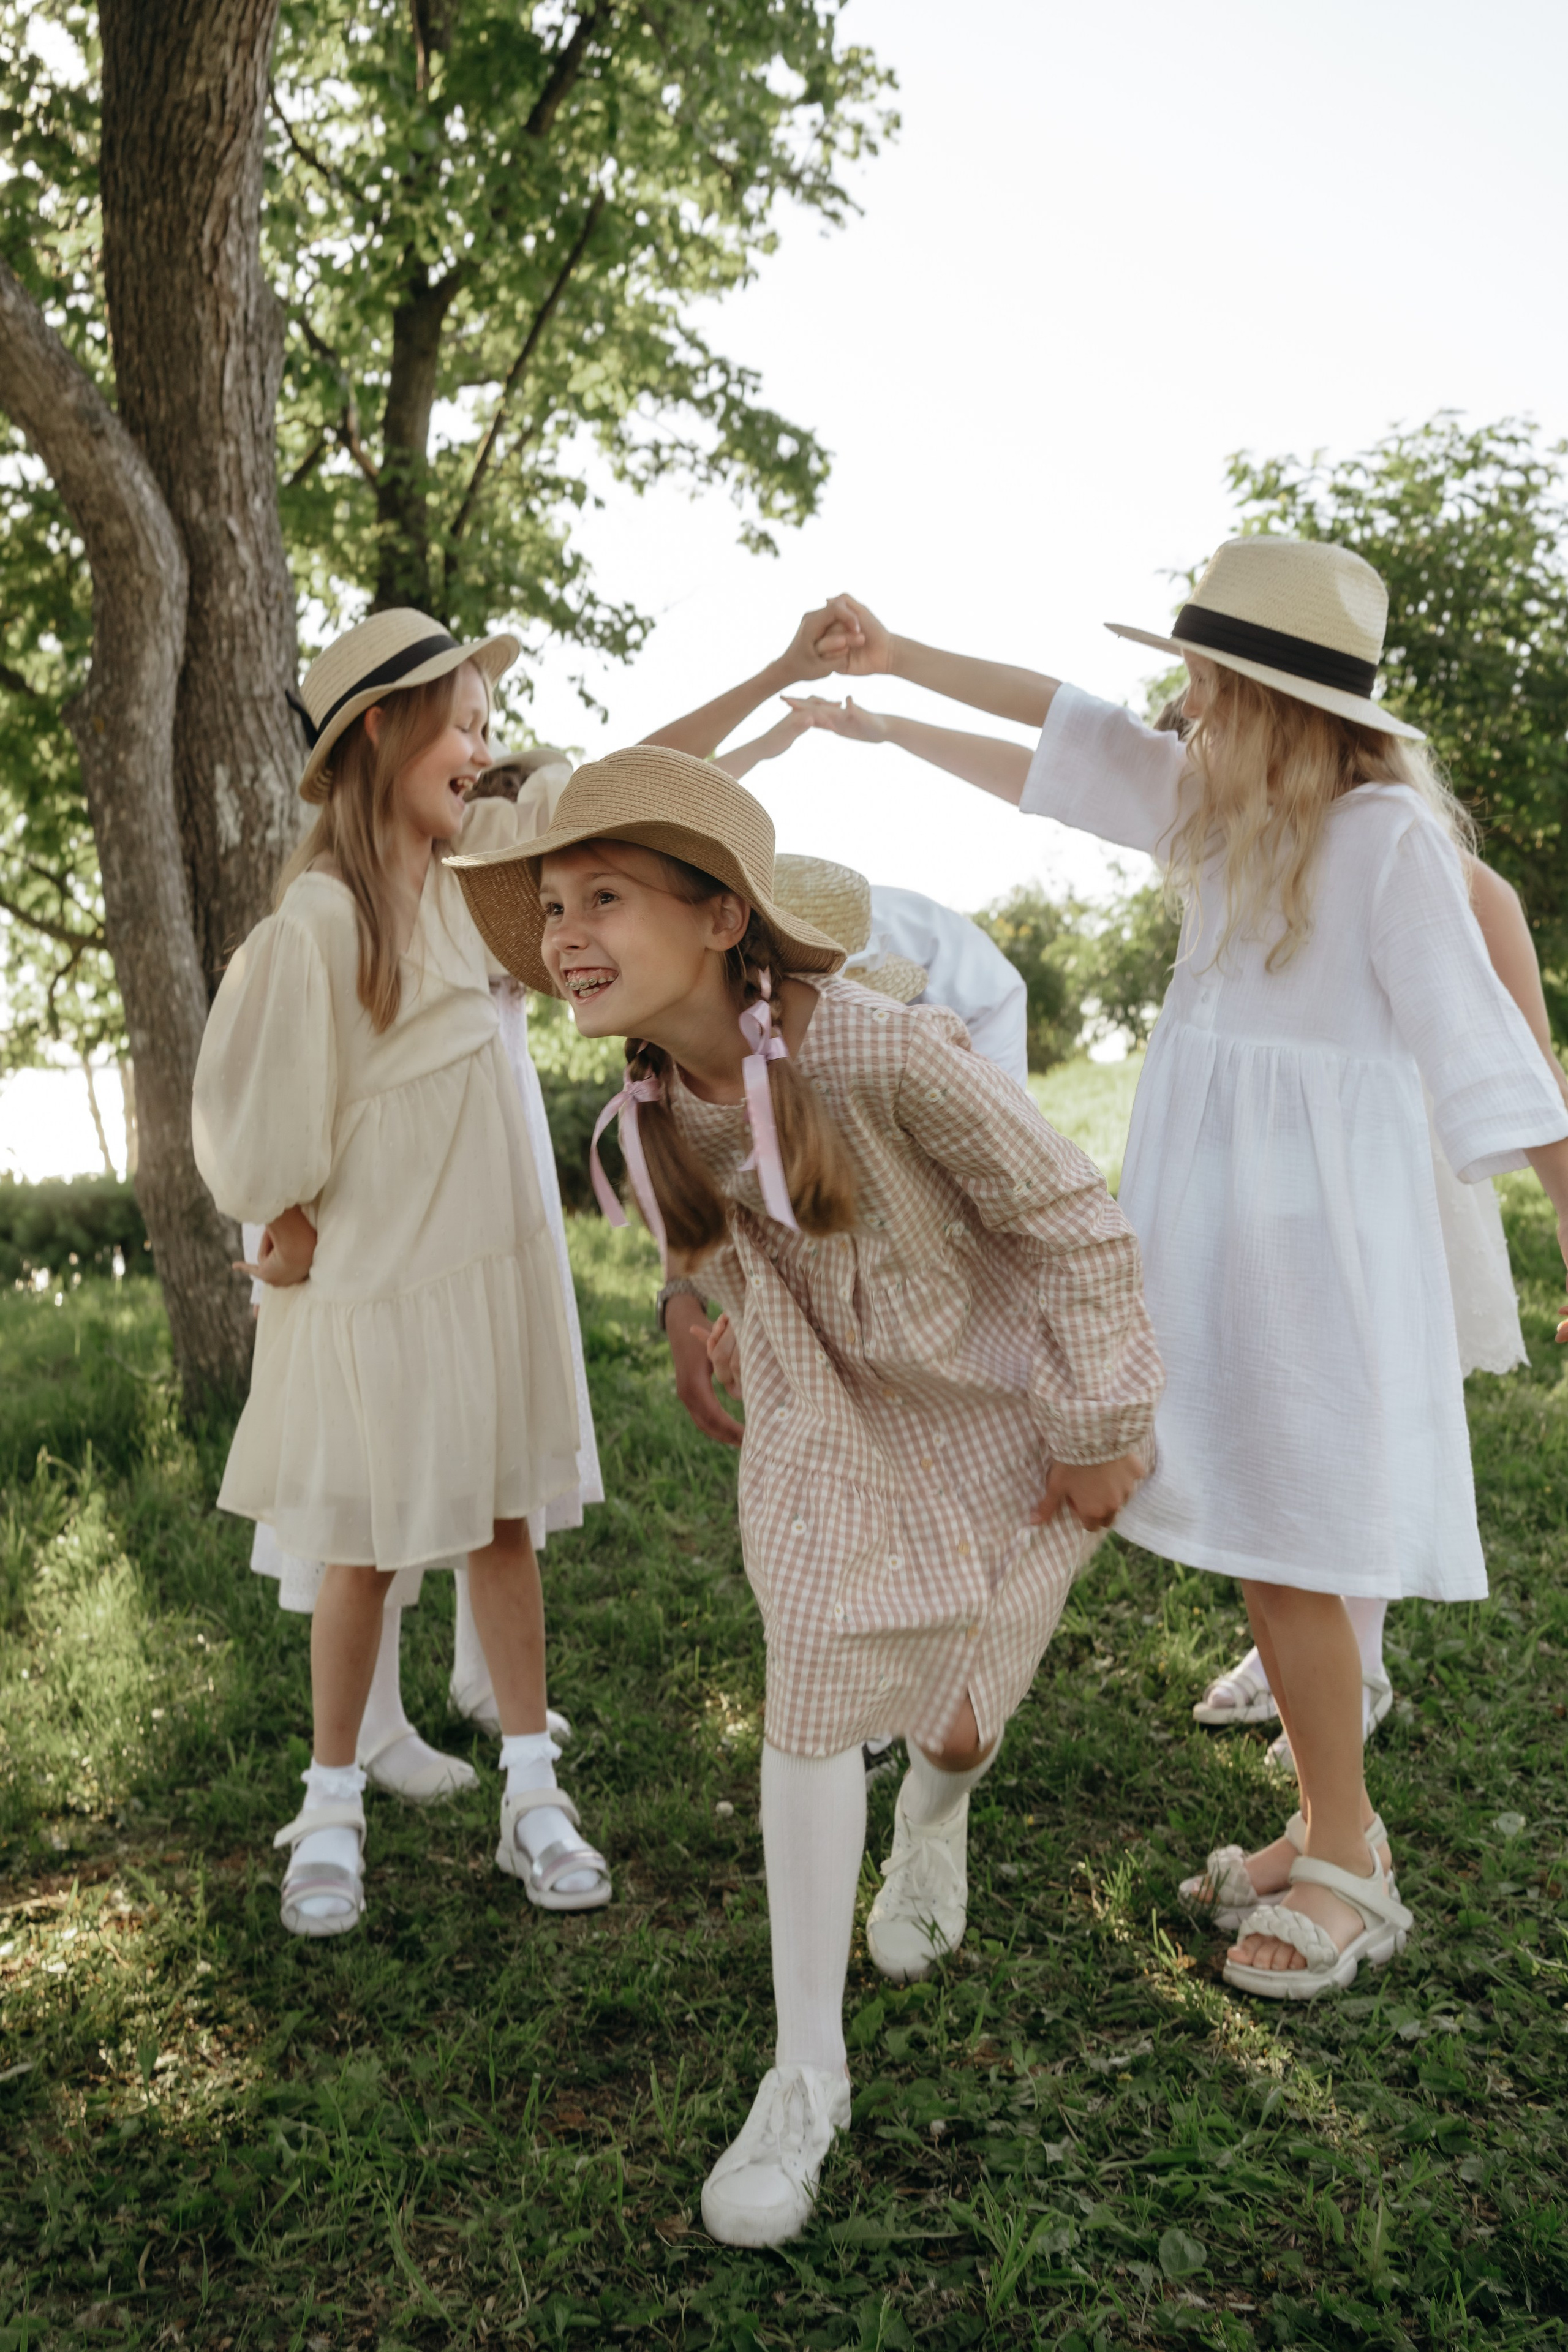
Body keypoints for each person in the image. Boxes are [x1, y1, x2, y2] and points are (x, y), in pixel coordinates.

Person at [803, 548, 1568, 1999]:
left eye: (1203, 684)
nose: (1178, 704)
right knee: (1263, 1555)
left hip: (1317, 1261)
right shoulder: (1218, 814)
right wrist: (897, 672)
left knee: (1295, 1554)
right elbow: (1054, 732)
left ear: (1270, 703)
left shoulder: (1385, 844)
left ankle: (1350, 1863)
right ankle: (1325, 1825)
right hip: (1210, 1237)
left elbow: (1491, 1057)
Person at [450, 745, 1163, 2243]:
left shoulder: (884, 1056)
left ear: (722, 919)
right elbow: (704, 1246)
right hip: (823, 1422)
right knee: (818, 1676)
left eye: (604, 898)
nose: (567, 932)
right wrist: (692, 1315)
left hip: (998, 1413)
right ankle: (804, 2074)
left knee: (957, 1720)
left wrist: (1100, 1425)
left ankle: (935, 1819)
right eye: (552, 906)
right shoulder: (642, 1113)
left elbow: (1072, 1227)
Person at [192, 610, 611, 1936]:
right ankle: (329, 1805)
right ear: (380, 726)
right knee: (362, 1548)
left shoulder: (485, 890)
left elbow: (577, 834)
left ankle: (530, 1792)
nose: (481, 748)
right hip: (378, 1286)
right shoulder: (320, 917)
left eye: (490, 725)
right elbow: (268, 1103)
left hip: (485, 1272)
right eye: (463, 721)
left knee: (501, 1528)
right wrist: (281, 1208)